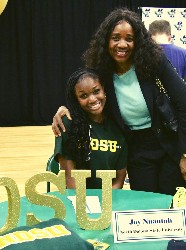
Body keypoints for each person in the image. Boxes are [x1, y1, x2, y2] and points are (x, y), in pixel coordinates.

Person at [52, 8, 186, 195]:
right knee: (144, 204)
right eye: (116, 38)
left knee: (170, 204)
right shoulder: (101, 69)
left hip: (169, 143)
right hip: (135, 148)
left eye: (129, 39)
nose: (122, 44)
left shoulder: (154, 62)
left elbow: (183, 103)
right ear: (106, 40)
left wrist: (184, 154)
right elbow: (84, 89)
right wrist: (64, 108)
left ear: (137, 42)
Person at [54, 68, 127, 189]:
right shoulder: (68, 124)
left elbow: (119, 181)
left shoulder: (118, 126)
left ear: (104, 90)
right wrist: (84, 206)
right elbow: (69, 178)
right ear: (76, 99)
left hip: (108, 201)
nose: (92, 99)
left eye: (96, 91)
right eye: (83, 96)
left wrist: (105, 205)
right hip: (78, 201)